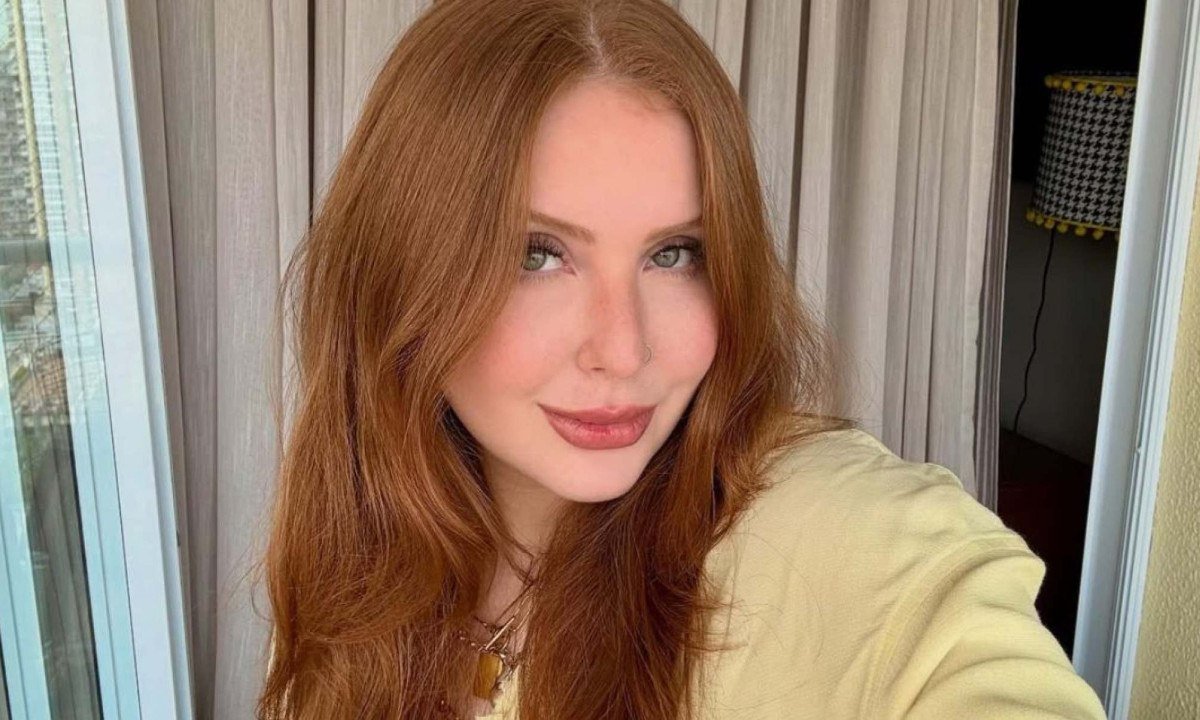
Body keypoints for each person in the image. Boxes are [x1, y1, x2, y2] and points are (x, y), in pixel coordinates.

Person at [256, 0, 1108, 718]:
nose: (624, 349)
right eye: (535, 254)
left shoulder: (851, 542)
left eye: (674, 254)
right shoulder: (364, 543)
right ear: (400, 269)